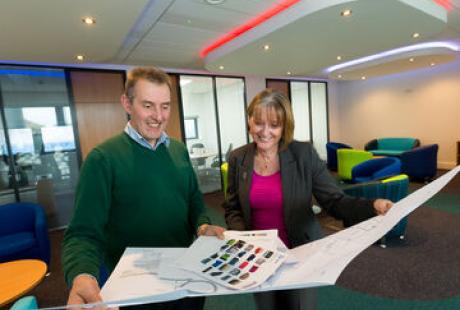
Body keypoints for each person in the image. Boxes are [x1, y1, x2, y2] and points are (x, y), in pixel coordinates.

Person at [63, 66, 225, 309]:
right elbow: (83, 233)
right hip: (136, 292)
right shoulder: (102, 159)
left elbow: (193, 200)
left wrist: (201, 224)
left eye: (165, 106)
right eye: (148, 105)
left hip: (186, 280)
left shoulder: (179, 150)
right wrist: (82, 274)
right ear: (127, 104)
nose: (158, 116)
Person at [223, 89, 393, 310]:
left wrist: (372, 206)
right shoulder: (239, 157)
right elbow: (233, 207)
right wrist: (243, 241)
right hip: (259, 258)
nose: (265, 132)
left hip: (299, 254)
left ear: (285, 127)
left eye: (274, 125)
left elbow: (334, 200)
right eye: (258, 123)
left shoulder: (303, 153)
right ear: (249, 121)